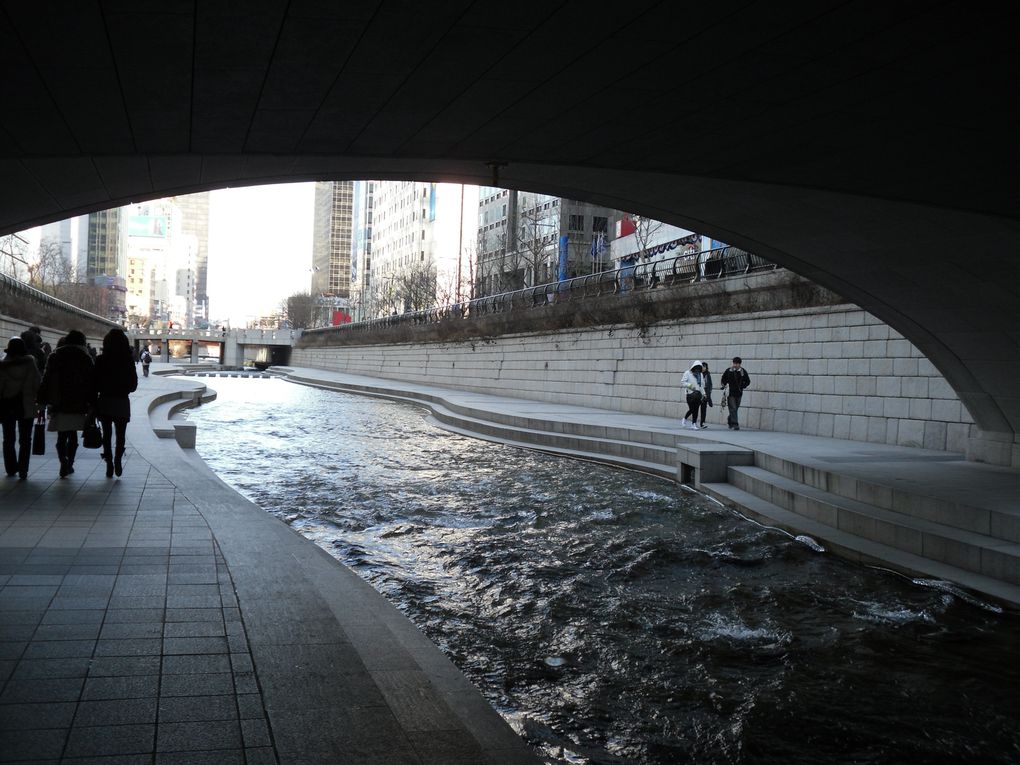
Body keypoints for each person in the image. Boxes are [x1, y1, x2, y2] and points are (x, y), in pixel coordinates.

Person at [38, 330, 96, 478]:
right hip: (78, 402)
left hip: (58, 401)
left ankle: (62, 461)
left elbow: (46, 379)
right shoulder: (85, 357)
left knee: (61, 435)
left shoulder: (55, 356)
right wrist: (92, 403)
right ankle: (69, 463)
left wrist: (42, 399)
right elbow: (91, 383)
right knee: (73, 435)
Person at [95, 328, 137, 478]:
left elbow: (95, 383)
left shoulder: (100, 360)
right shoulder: (128, 361)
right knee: (121, 434)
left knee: (106, 435)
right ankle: (118, 459)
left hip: (105, 401)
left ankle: (109, 463)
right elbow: (133, 385)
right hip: (121, 402)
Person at [0, 337, 41, 480]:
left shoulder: (3, 366)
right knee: (25, 439)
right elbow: (37, 384)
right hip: (26, 405)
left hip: (7, 406)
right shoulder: (30, 363)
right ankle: (23, 469)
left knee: (8, 438)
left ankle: (11, 468)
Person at [720, 356, 751, 430]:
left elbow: (748, 381)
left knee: (736, 408)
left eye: (736, 363)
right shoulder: (729, 371)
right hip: (730, 393)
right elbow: (723, 379)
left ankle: (730, 419)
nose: (735, 365)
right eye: (734, 363)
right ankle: (735, 424)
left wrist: (743, 386)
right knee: (733, 408)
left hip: (739, 393)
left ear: (740, 364)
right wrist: (724, 385)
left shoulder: (743, 372)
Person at [680, 361, 707, 430]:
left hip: (698, 395)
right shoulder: (688, 373)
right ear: (693, 367)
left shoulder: (700, 375)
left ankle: (694, 423)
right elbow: (683, 382)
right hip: (689, 394)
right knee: (692, 409)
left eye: (699, 368)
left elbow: (701, 386)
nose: (697, 370)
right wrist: (690, 386)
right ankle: (685, 418)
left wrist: (704, 394)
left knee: (696, 409)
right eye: (696, 368)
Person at [697, 361, 714, 429]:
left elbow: (709, 385)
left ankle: (702, 423)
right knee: (695, 408)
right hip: (698, 394)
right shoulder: (698, 374)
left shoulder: (707, 375)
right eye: (702, 366)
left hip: (704, 395)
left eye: (705, 366)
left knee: (703, 409)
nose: (704, 368)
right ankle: (693, 422)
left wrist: (708, 395)